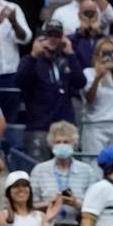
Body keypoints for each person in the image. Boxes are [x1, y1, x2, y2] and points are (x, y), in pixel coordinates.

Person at [15, 24, 84, 159]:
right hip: (39, 127)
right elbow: (20, 81)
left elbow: (80, 82)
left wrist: (70, 53)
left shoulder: (66, 61)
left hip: (64, 128)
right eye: (48, 37)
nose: (52, 41)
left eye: (56, 37)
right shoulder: (30, 61)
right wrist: (34, 55)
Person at [82, 37, 113, 151]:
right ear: (97, 53)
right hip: (95, 125)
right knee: (95, 162)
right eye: (104, 51)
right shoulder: (88, 73)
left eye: (112, 51)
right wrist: (98, 77)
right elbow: (89, 99)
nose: (109, 55)